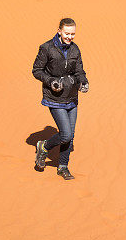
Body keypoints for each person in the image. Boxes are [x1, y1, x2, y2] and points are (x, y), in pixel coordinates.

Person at [32, 17, 89, 179]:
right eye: (67, 33)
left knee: (71, 135)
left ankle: (63, 167)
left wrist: (84, 81)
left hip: (71, 97)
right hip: (55, 97)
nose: (70, 37)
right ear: (59, 31)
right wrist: (51, 81)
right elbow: (37, 70)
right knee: (65, 135)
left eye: (73, 34)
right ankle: (44, 147)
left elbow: (79, 71)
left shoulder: (75, 49)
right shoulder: (47, 48)